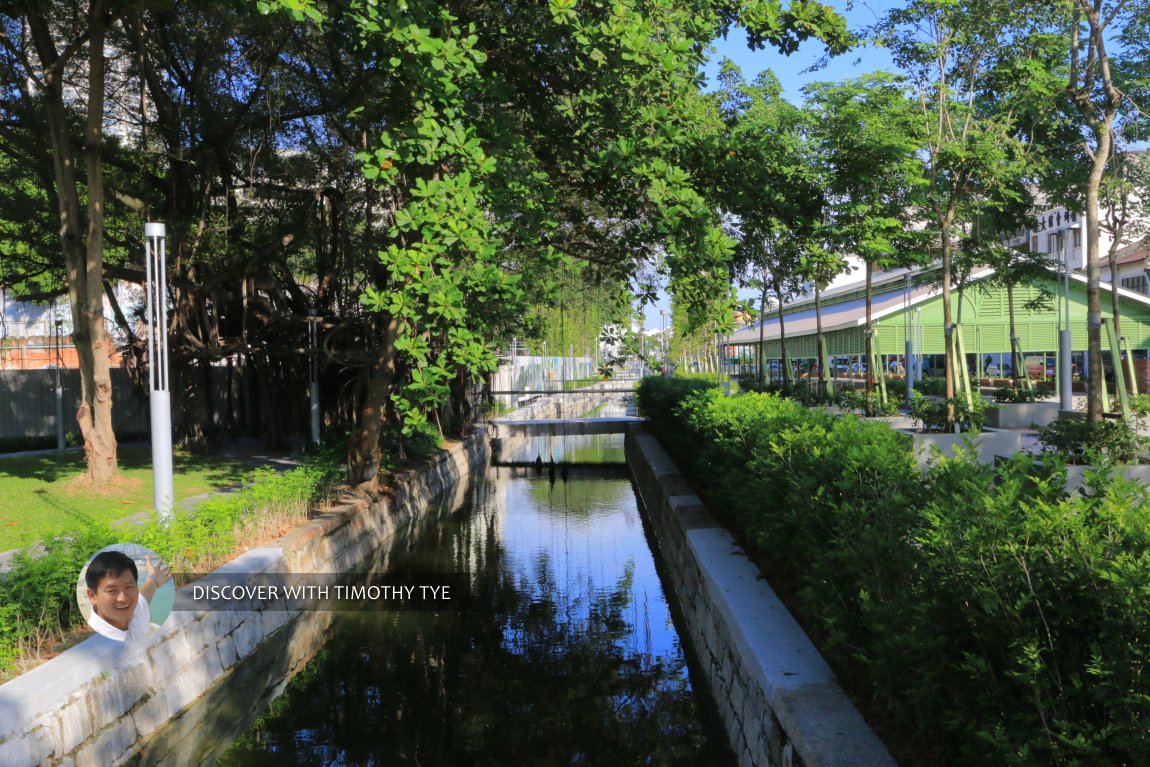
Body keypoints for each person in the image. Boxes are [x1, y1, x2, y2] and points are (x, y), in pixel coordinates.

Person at [85, 550, 172, 641]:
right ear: (92, 596)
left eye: (129, 587)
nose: (123, 598)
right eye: (112, 590)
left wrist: (154, 578)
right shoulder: (95, 640)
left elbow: (144, 594)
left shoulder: (136, 610)